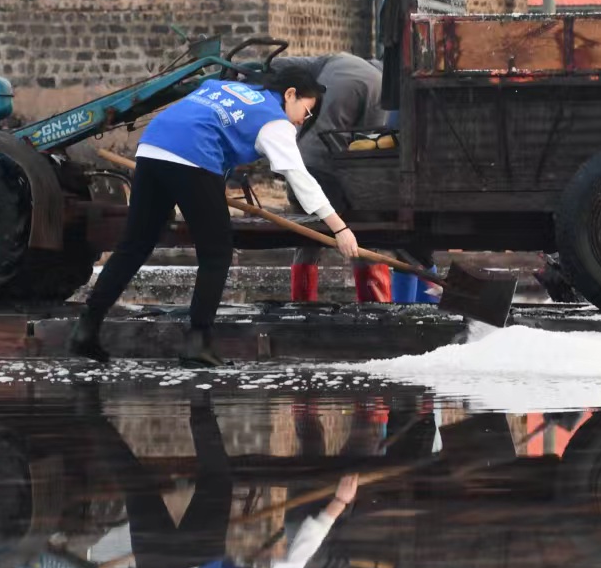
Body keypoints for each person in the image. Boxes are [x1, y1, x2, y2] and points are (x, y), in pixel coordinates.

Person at [69, 65, 360, 367]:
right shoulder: (274, 120)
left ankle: (86, 329)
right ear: (289, 95)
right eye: (306, 111)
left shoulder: (228, 89)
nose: (302, 120)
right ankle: (197, 342)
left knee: (134, 246)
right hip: (192, 156)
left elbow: (206, 125)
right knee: (217, 252)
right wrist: (339, 228)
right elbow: (300, 179)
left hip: (153, 146)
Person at [121, 396, 355, 568]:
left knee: (217, 479)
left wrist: (339, 503)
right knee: (134, 484)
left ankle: (199, 391)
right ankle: (87, 412)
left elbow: (300, 553)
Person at [269, 53, 420, 306]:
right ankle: (374, 304)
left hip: (298, 167)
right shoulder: (378, 87)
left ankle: (303, 304)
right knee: (362, 231)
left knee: (308, 238)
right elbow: (363, 150)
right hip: (325, 172)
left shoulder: (336, 60)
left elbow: (283, 64)